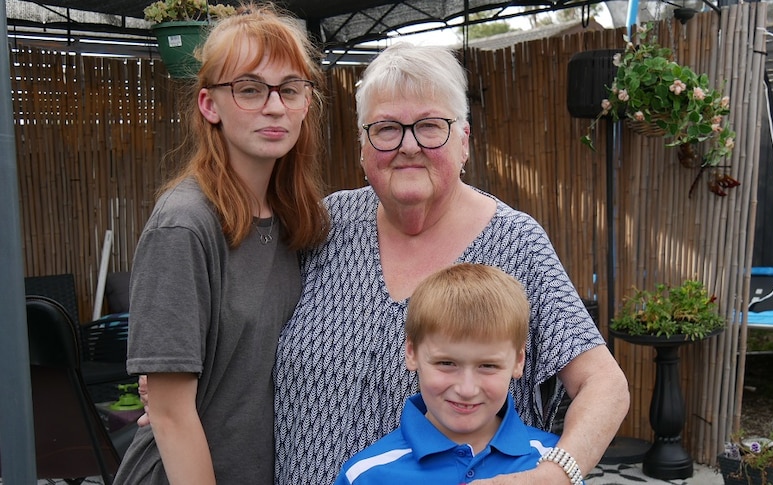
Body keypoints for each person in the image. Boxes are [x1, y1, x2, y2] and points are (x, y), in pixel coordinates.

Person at [273, 42, 629, 485]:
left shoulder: (515, 242)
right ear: (363, 146)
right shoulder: (325, 227)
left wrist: (554, 475)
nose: (408, 146)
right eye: (386, 128)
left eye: (430, 126)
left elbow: (604, 385)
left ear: (464, 141)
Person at [114, 3, 329, 484]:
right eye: (249, 89)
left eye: (290, 89)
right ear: (210, 105)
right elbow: (170, 415)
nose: (274, 106)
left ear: (305, 104)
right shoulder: (185, 226)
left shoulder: (298, 221)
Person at [334, 263, 564, 484]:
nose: (466, 389)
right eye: (446, 363)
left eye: (488, 366)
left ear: (519, 360)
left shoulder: (554, 466)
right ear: (411, 352)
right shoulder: (365, 476)